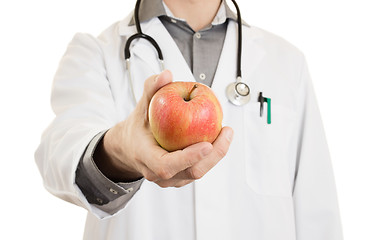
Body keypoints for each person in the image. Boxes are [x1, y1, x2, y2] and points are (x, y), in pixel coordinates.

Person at [35, 0, 343, 239]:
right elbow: (61, 152)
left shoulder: (286, 62)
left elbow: (316, 209)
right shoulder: (97, 53)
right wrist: (120, 151)